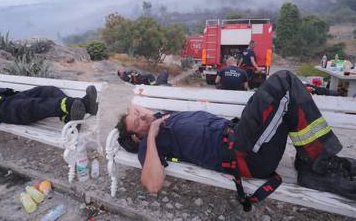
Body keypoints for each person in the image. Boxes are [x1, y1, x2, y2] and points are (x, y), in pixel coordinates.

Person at [115, 70, 356, 210]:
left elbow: (132, 103)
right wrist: (152, 133)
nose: (142, 117)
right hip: (246, 155)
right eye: (138, 123)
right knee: (283, 84)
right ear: (138, 136)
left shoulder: (159, 117)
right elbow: (152, 184)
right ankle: (319, 165)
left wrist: (141, 115)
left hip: (241, 135)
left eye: (139, 114)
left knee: (283, 93)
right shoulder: (149, 144)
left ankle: (313, 161)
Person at [0, 83, 98, 126]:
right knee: (34, 105)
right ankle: (75, 105)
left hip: (14, 98)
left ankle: (73, 115)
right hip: (4, 111)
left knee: (46, 90)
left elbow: (5, 91)